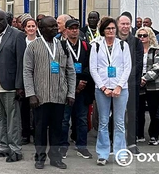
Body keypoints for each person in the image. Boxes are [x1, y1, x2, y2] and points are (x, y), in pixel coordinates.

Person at [25, 16, 75, 169]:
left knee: (57, 129)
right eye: (52, 26)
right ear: (42, 28)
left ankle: (55, 157)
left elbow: (70, 71)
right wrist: (31, 94)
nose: (55, 28)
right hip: (40, 97)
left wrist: (71, 93)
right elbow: (27, 72)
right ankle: (40, 157)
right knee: (40, 129)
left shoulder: (63, 46)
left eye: (55, 26)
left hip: (59, 95)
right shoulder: (32, 47)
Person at [0, 10, 25, 162]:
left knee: (12, 120)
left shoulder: (17, 35)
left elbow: (21, 62)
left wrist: (19, 85)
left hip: (10, 85)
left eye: (0, 20)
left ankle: (15, 150)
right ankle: (3, 147)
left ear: (6, 20)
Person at [89, 17, 131, 166]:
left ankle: (120, 153)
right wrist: (103, 87)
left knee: (119, 122)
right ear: (103, 30)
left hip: (121, 88)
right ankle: (103, 153)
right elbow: (93, 69)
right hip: (102, 89)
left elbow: (127, 67)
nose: (111, 31)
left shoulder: (123, 45)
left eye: (113, 28)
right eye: (108, 29)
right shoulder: (96, 46)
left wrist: (119, 86)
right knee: (103, 122)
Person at [60, 18, 94, 159]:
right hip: (66, 89)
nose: (74, 30)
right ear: (66, 30)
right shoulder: (60, 46)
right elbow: (60, 68)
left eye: (76, 28)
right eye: (71, 28)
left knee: (81, 119)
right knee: (64, 120)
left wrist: (81, 82)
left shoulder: (87, 46)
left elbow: (90, 66)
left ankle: (82, 146)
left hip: (83, 89)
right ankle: (62, 147)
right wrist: (74, 84)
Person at [117, 14, 143, 154]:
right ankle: (115, 141)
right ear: (117, 25)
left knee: (132, 113)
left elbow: (137, 64)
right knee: (115, 114)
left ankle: (132, 142)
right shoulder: (112, 41)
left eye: (128, 24)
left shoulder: (137, 42)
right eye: (123, 24)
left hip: (131, 83)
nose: (125, 27)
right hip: (114, 83)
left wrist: (126, 79)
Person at [136, 27, 159, 146]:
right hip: (138, 84)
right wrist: (138, 79)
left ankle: (154, 135)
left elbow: (158, 68)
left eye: (145, 35)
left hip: (154, 85)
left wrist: (144, 78)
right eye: (140, 36)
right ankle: (139, 134)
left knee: (154, 112)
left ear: (150, 37)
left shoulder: (156, 50)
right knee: (139, 111)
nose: (142, 38)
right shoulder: (134, 50)